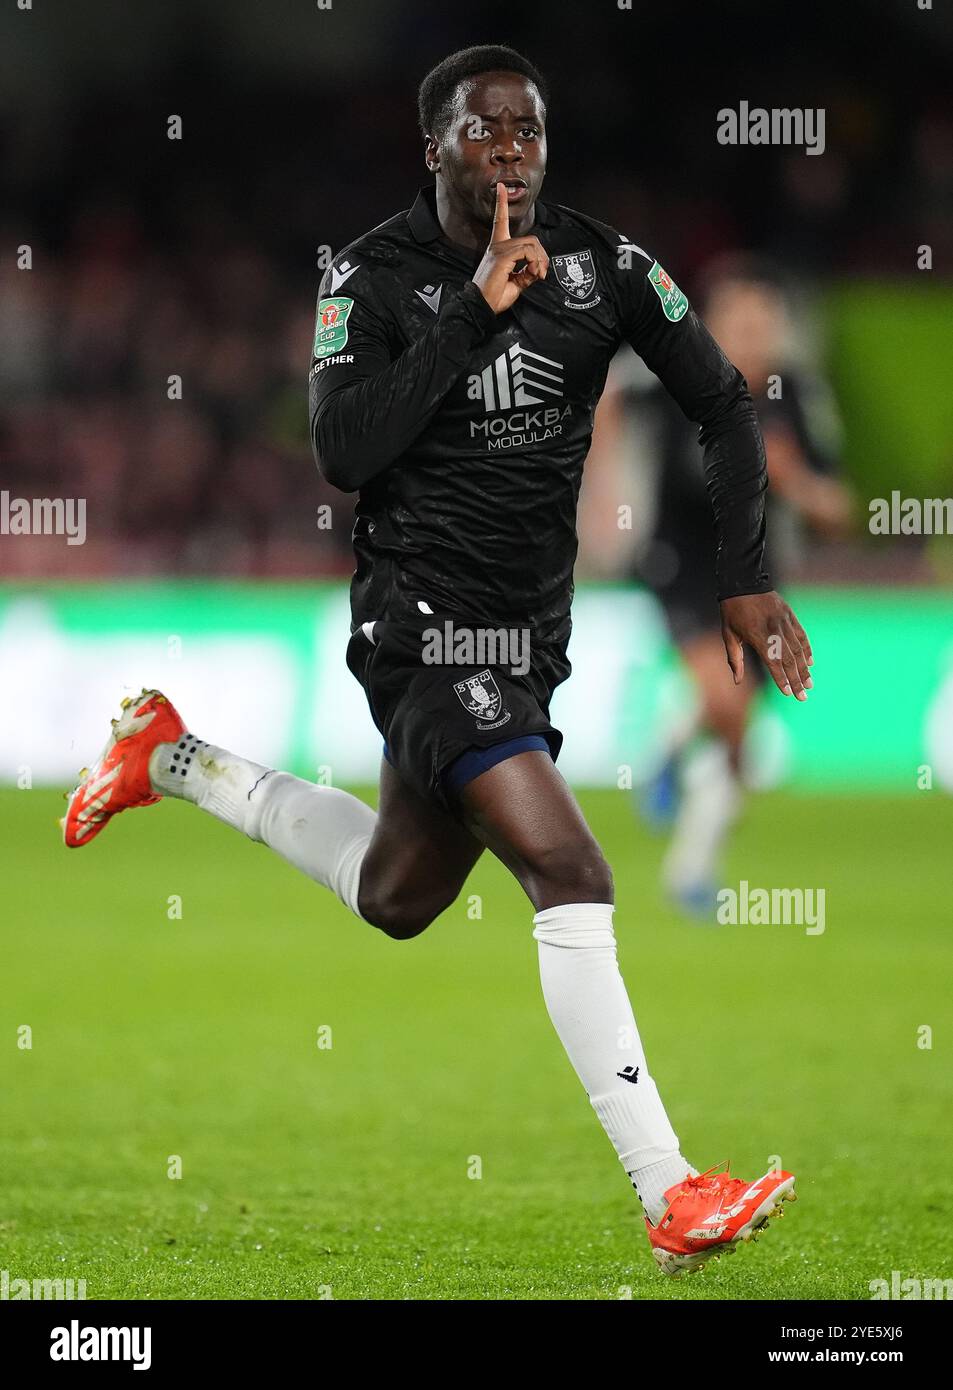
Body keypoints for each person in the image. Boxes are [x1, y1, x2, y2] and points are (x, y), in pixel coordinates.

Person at [64, 45, 808, 1276]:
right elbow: (345, 449)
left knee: (398, 896)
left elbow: (723, 404)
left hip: (529, 641)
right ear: (434, 148)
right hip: (419, 631)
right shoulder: (370, 275)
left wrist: (744, 573)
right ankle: (670, 1190)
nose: (511, 151)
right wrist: (473, 310)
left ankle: (173, 757)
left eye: (528, 130)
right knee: (568, 868)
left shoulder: (604, 264)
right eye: (484, 132)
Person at [589, 258, 851, 913]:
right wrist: (600, 488)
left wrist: (796, 486)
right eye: (739, 320)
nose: (753, 334)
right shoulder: (678, 370)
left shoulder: (797, 398)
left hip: (757, 573)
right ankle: (677, 766)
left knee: (737, 737)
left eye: (765, 322)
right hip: (679, 559)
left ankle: (690, 857)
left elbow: (838, 508)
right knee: (724, 696)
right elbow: (606, 390)